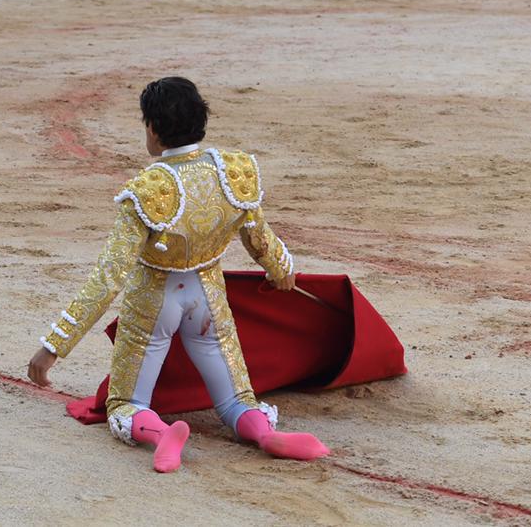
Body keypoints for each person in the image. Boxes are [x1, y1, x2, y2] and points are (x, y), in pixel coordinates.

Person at [27, 77, 327, 472]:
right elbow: (259, 239)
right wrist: (282, 270)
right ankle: (263, 434)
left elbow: (108, 278)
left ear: (153, 128)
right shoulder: (233, 172)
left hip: (155, 301)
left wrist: (53, 347)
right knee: (237, 399)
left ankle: (160, 435)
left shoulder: (147, 189)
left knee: (127, 404)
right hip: (207, 300)